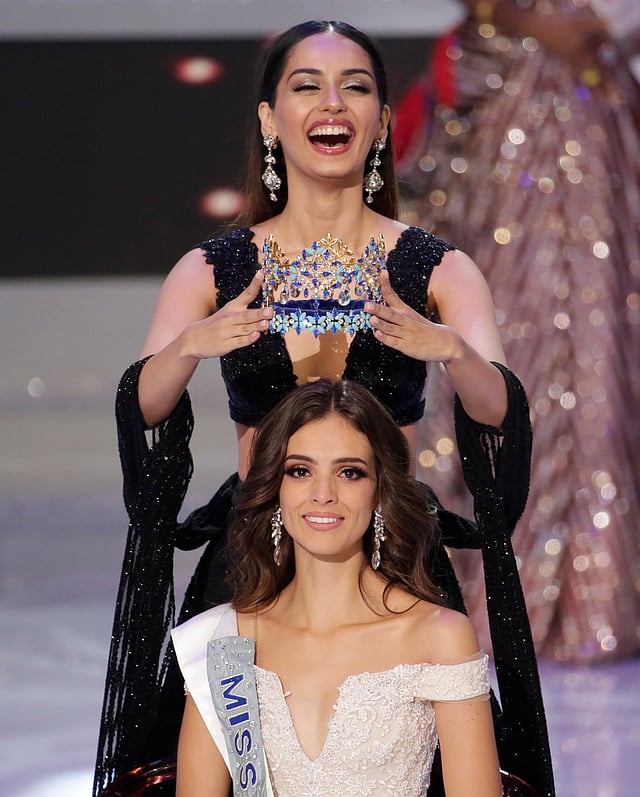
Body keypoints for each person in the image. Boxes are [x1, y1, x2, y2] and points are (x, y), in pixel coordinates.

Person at [93, 19, 553, 797]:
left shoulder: (436, 268)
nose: (331, 104)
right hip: (255, 555)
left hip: (393, 549)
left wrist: (450, 350)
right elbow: (143, 405)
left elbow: (501, 410)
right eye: (306, 85)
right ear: (271, 118)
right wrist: (192, 342)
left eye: (357, 87)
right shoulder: (217, 266)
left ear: (379, 120)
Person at [395, 0, 640, 664]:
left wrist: (607, 30)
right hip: (525, 115)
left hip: (598, 109)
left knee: (602, 343)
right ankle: (515, 584)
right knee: (522, 326)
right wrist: (531, 23)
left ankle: (598, 584)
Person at [171, 378, 503, 797]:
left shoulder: (437, 636)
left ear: (380, 490)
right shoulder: (223, 640)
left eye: (349, 473)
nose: (323, 494)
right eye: (300, 471)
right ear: (276, 489)